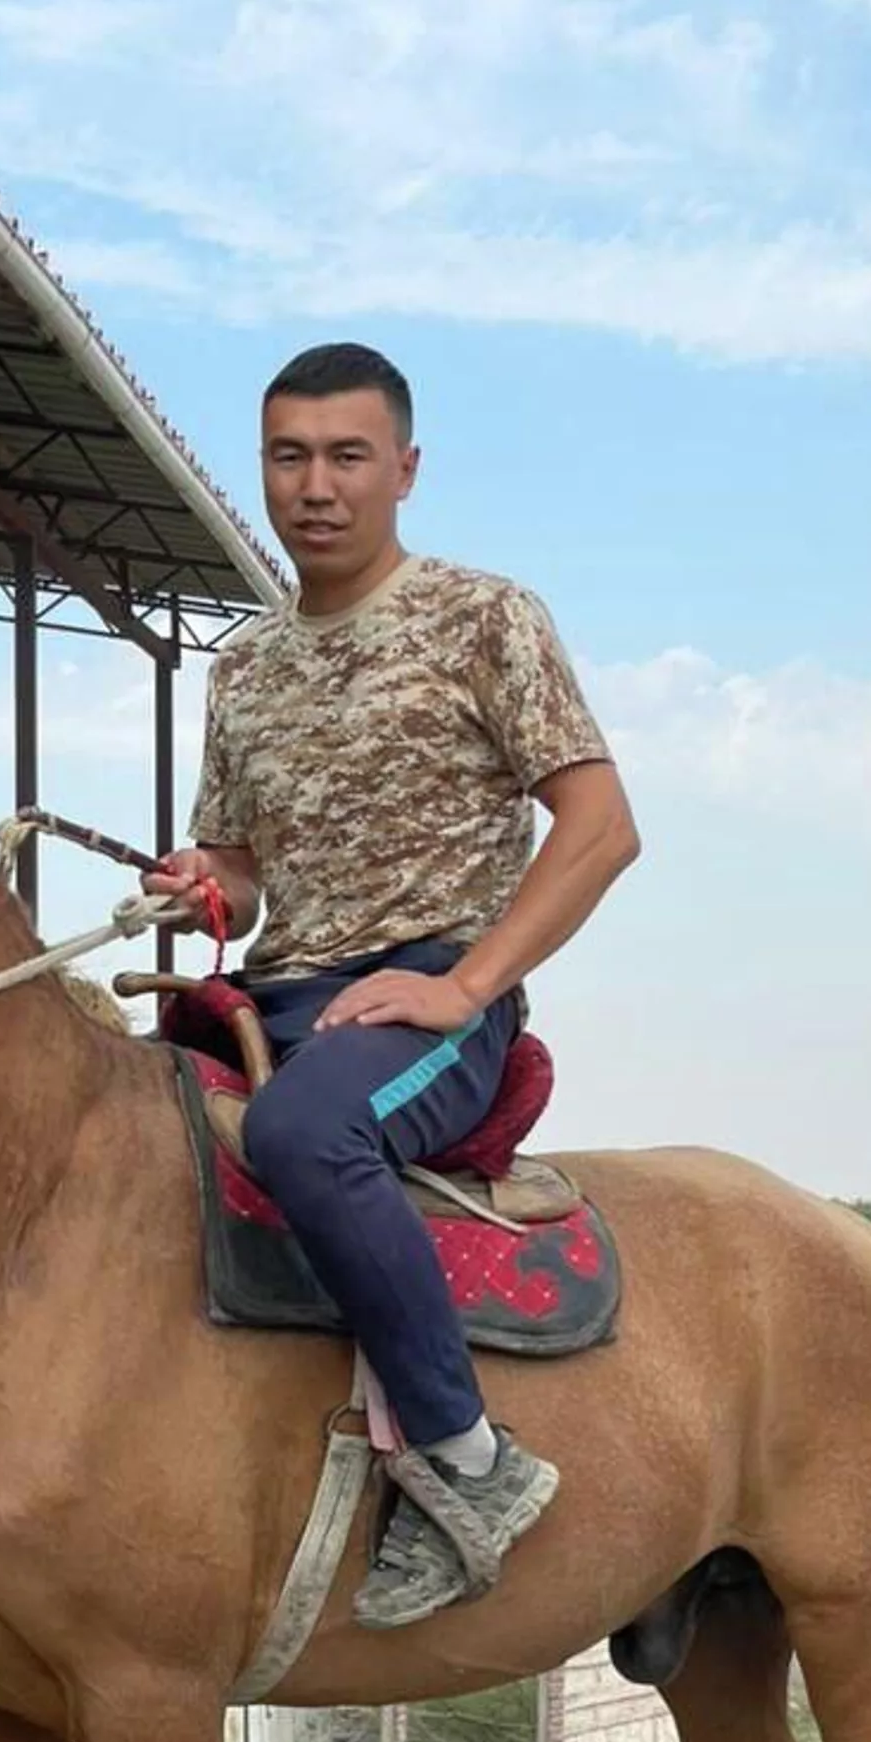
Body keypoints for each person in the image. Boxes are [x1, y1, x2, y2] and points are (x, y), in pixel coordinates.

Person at [152, 342, 640, 1630]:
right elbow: (245, 872)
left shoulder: (484, 619)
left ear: (404, 470)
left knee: (303, 1135)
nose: (316, 486)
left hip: (425, 1000)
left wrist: (467, 986)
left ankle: (470, 1461)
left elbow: (601, 829)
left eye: (347, 457)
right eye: (290, 457)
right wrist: (204, 884)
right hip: (283, 999)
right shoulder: (244, 670)